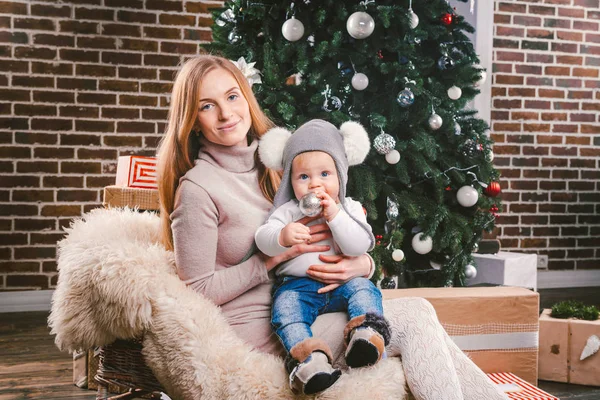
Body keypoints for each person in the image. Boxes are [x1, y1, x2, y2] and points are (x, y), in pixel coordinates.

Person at [156, 54, 507, 400]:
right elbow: (196, 289)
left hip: (319, 301)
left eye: (232, 96)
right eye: (207, 106)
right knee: (415, 318)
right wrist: (269, 262)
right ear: (192, 120)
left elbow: (342, 230)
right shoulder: (198, 189)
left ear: (246, 98)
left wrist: (363, 265)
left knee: (418, 317)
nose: (225, 113)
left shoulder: (279, 168)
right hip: (267, 329)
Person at [255, 119, 390, 394]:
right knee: (285, 310)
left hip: (344, 286)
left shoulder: (348, 208)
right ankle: (309, 359)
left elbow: (359, 245)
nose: (315, 184)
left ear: (340, 175)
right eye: (304, 177)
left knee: (364, 288)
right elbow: (262, 239)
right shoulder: (289, 212)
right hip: (298, 287)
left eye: (325, 174)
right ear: (290, 182)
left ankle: (366, 335)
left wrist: (335, 216)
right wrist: (282, 237)